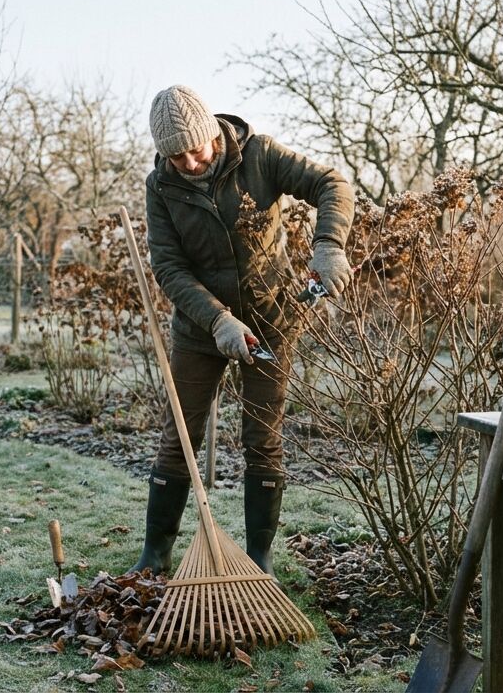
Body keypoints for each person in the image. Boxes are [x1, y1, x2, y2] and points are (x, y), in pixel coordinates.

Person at [131, 85, 354, 576]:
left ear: (212, 132)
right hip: (199, 329)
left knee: (263, 437)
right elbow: (169, 267)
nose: (189, 163)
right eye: (176, 156)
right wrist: (217, 319)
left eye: (195, 150)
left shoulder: (260, 156)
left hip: (271, 320)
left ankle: (259, 559)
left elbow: (331, 184)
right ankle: (156, 555)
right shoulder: (161, 186)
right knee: (179, 436)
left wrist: (328, 246)